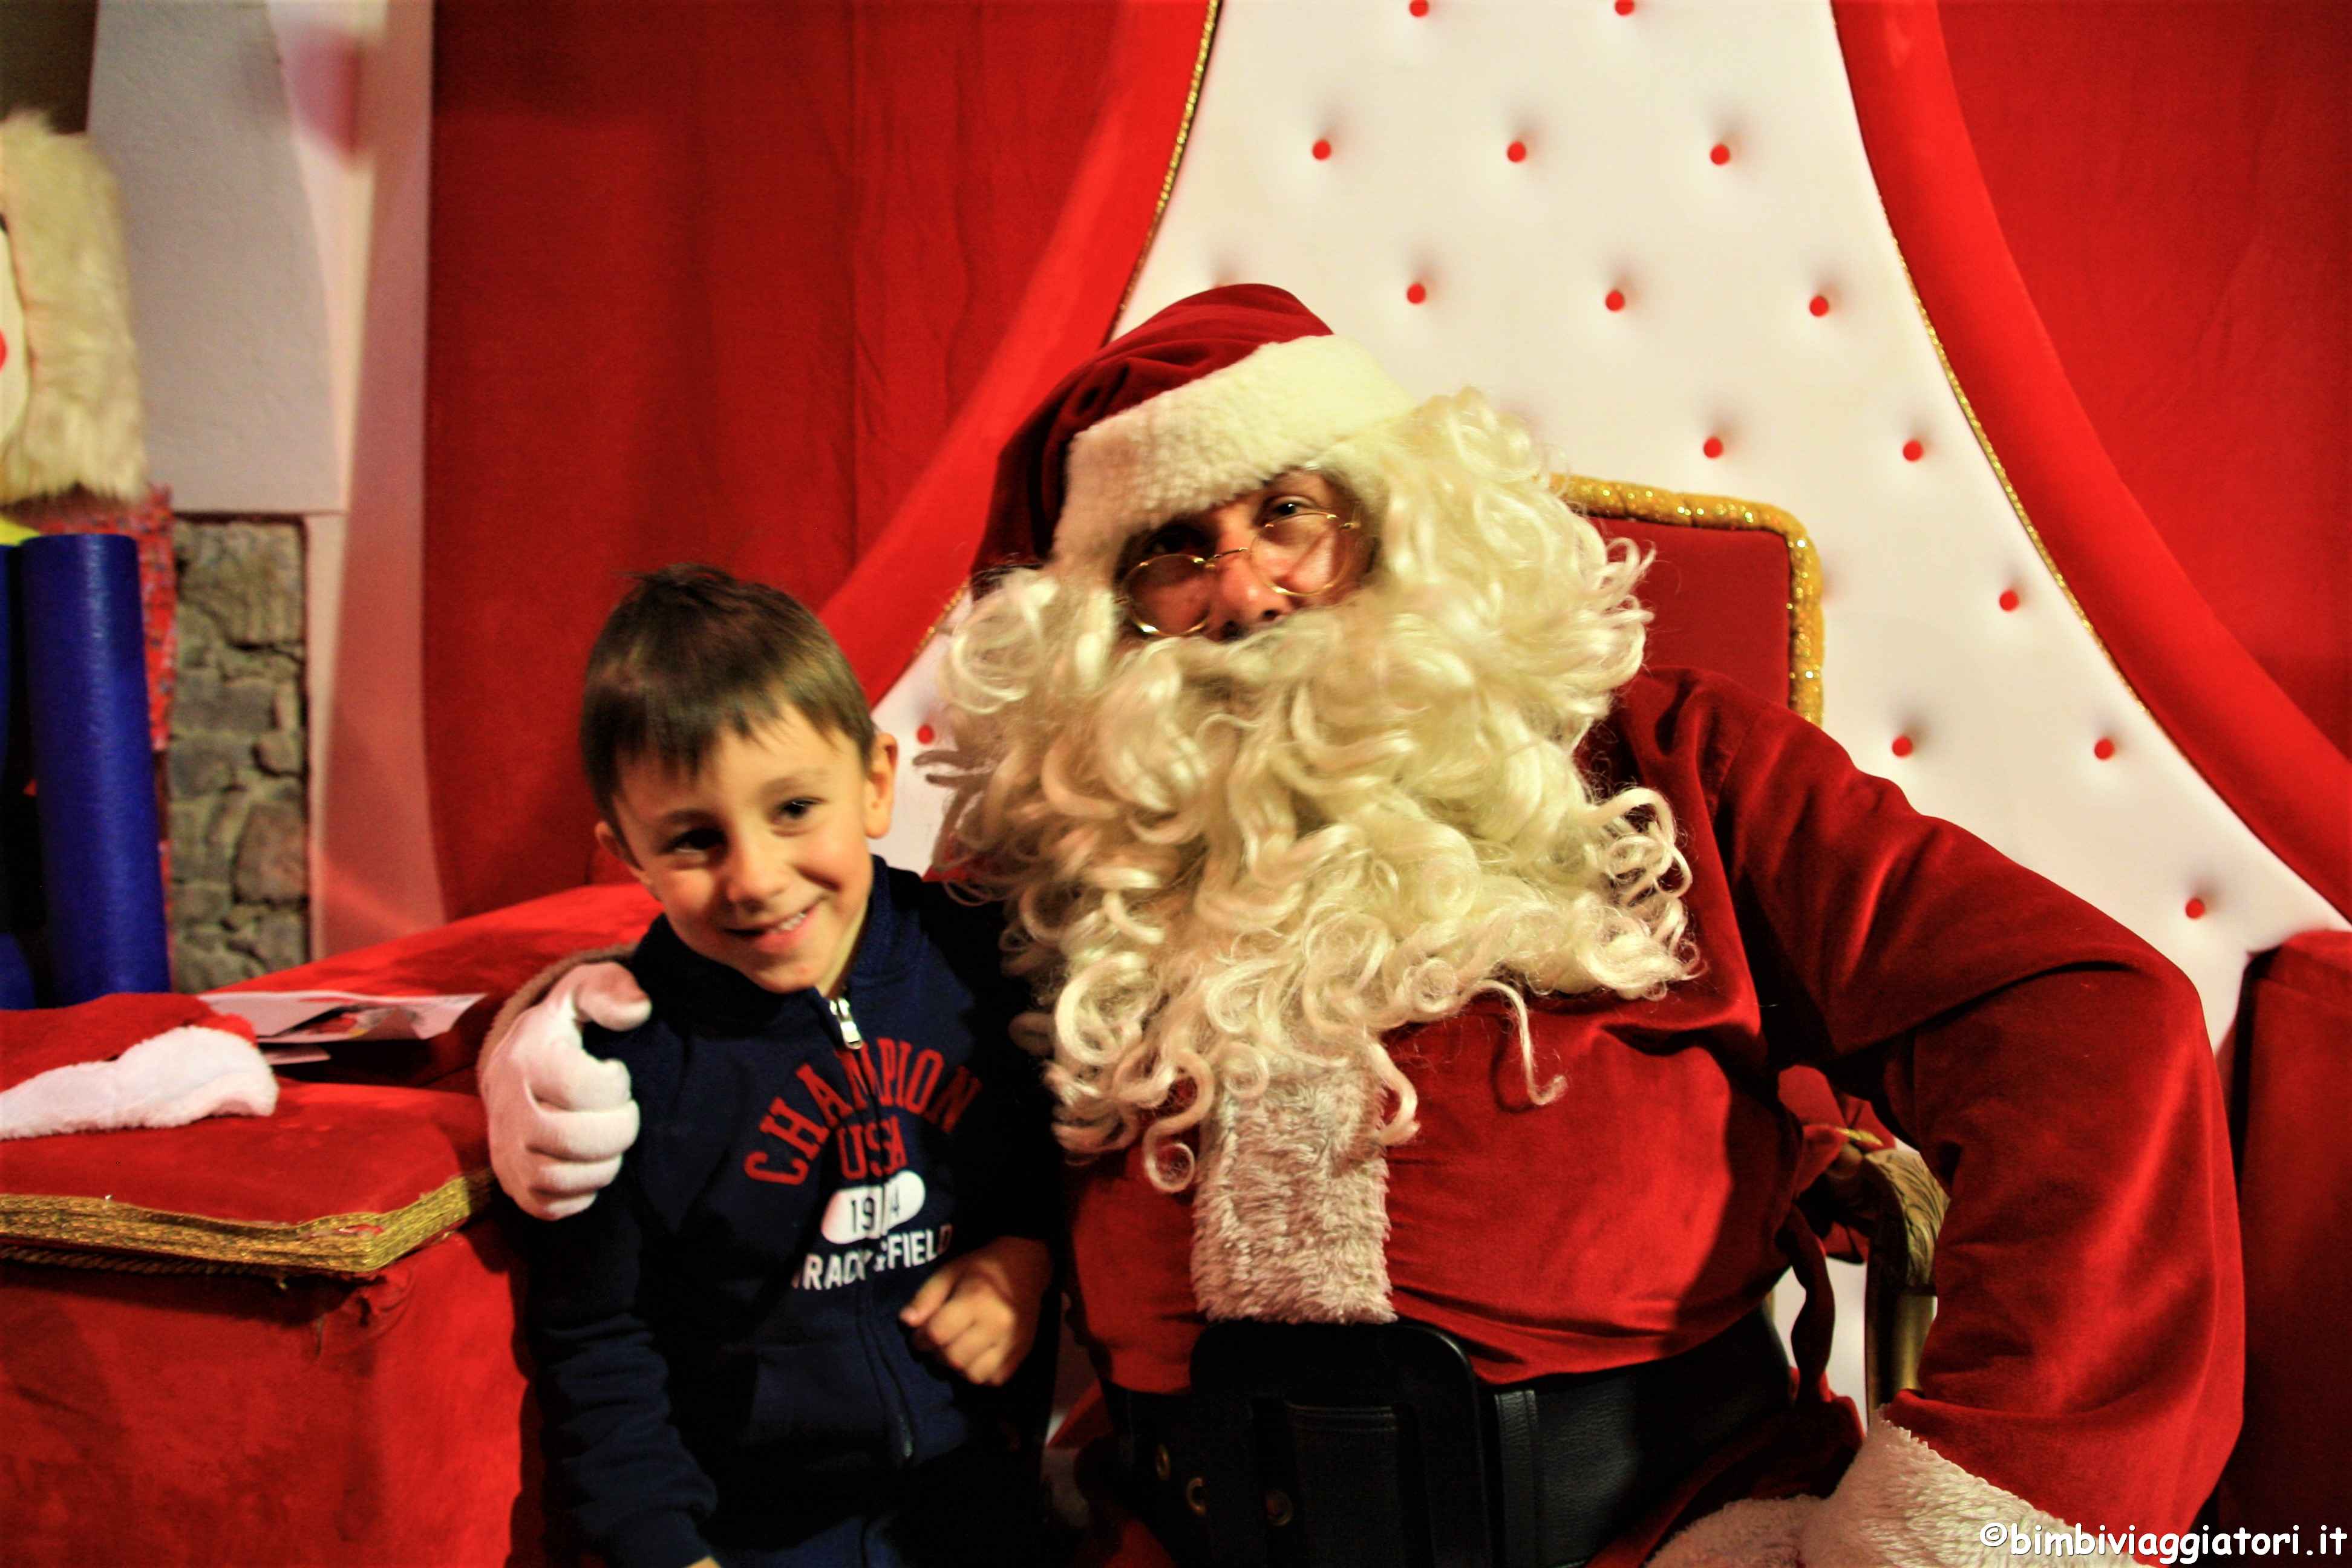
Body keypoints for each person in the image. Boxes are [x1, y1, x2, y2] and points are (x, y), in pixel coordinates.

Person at [486, 291, 2242, 1567]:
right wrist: (542, 1020)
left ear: (1397, 527)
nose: (1245, 592)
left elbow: (2087, 1012)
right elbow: (799, 960)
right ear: (1110, 617)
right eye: (1175, 551)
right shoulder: (1074, 848)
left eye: (1289, 517)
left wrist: (1965, 1519)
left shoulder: (1673, 764)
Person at [518, 566, 1059, 1568]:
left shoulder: (981, 958)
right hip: (756, 1530)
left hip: (982, 1499)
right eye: (692, 840)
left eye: (794, 809)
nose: (758, 878)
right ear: (625, 853)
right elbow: (597, 1344)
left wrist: (1027, 1258)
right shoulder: (616, 1064)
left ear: (875, 781)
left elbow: (1053, 1156)